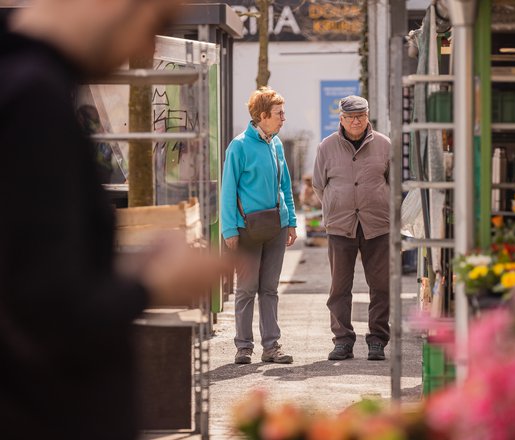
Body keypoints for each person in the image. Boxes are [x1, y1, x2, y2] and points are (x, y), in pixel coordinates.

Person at [0, 1, 226, 439]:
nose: (146, 45)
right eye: (157, 22)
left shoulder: (24, 80)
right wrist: (153, 285)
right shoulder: (32, 96)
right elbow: (46, 313)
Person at [221, 87, 297, 365]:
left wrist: (291, 221)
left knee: (270, 288)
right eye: (279, 113)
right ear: (263, 116)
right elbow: (228, 190)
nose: (283, 118)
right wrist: (229, 229)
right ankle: (243, 347)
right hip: (247, 230)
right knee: (246, 289)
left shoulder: (276, 143)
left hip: (276, 226)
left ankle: (271, 347)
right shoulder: (239, 146)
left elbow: (284, 184)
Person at [313, 95, 391, 362]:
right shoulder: (327, 147)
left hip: (378, 225)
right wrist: (337, 206)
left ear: (368, 116)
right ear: (341, 119)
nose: (356, 121)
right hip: (340, 227)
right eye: (351, 117)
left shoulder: (384, 145)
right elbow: (319, 185)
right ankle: (343, 340)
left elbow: (394, 185)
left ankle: (377, 339)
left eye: (361, 116)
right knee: (339, 288)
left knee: (380, 285)